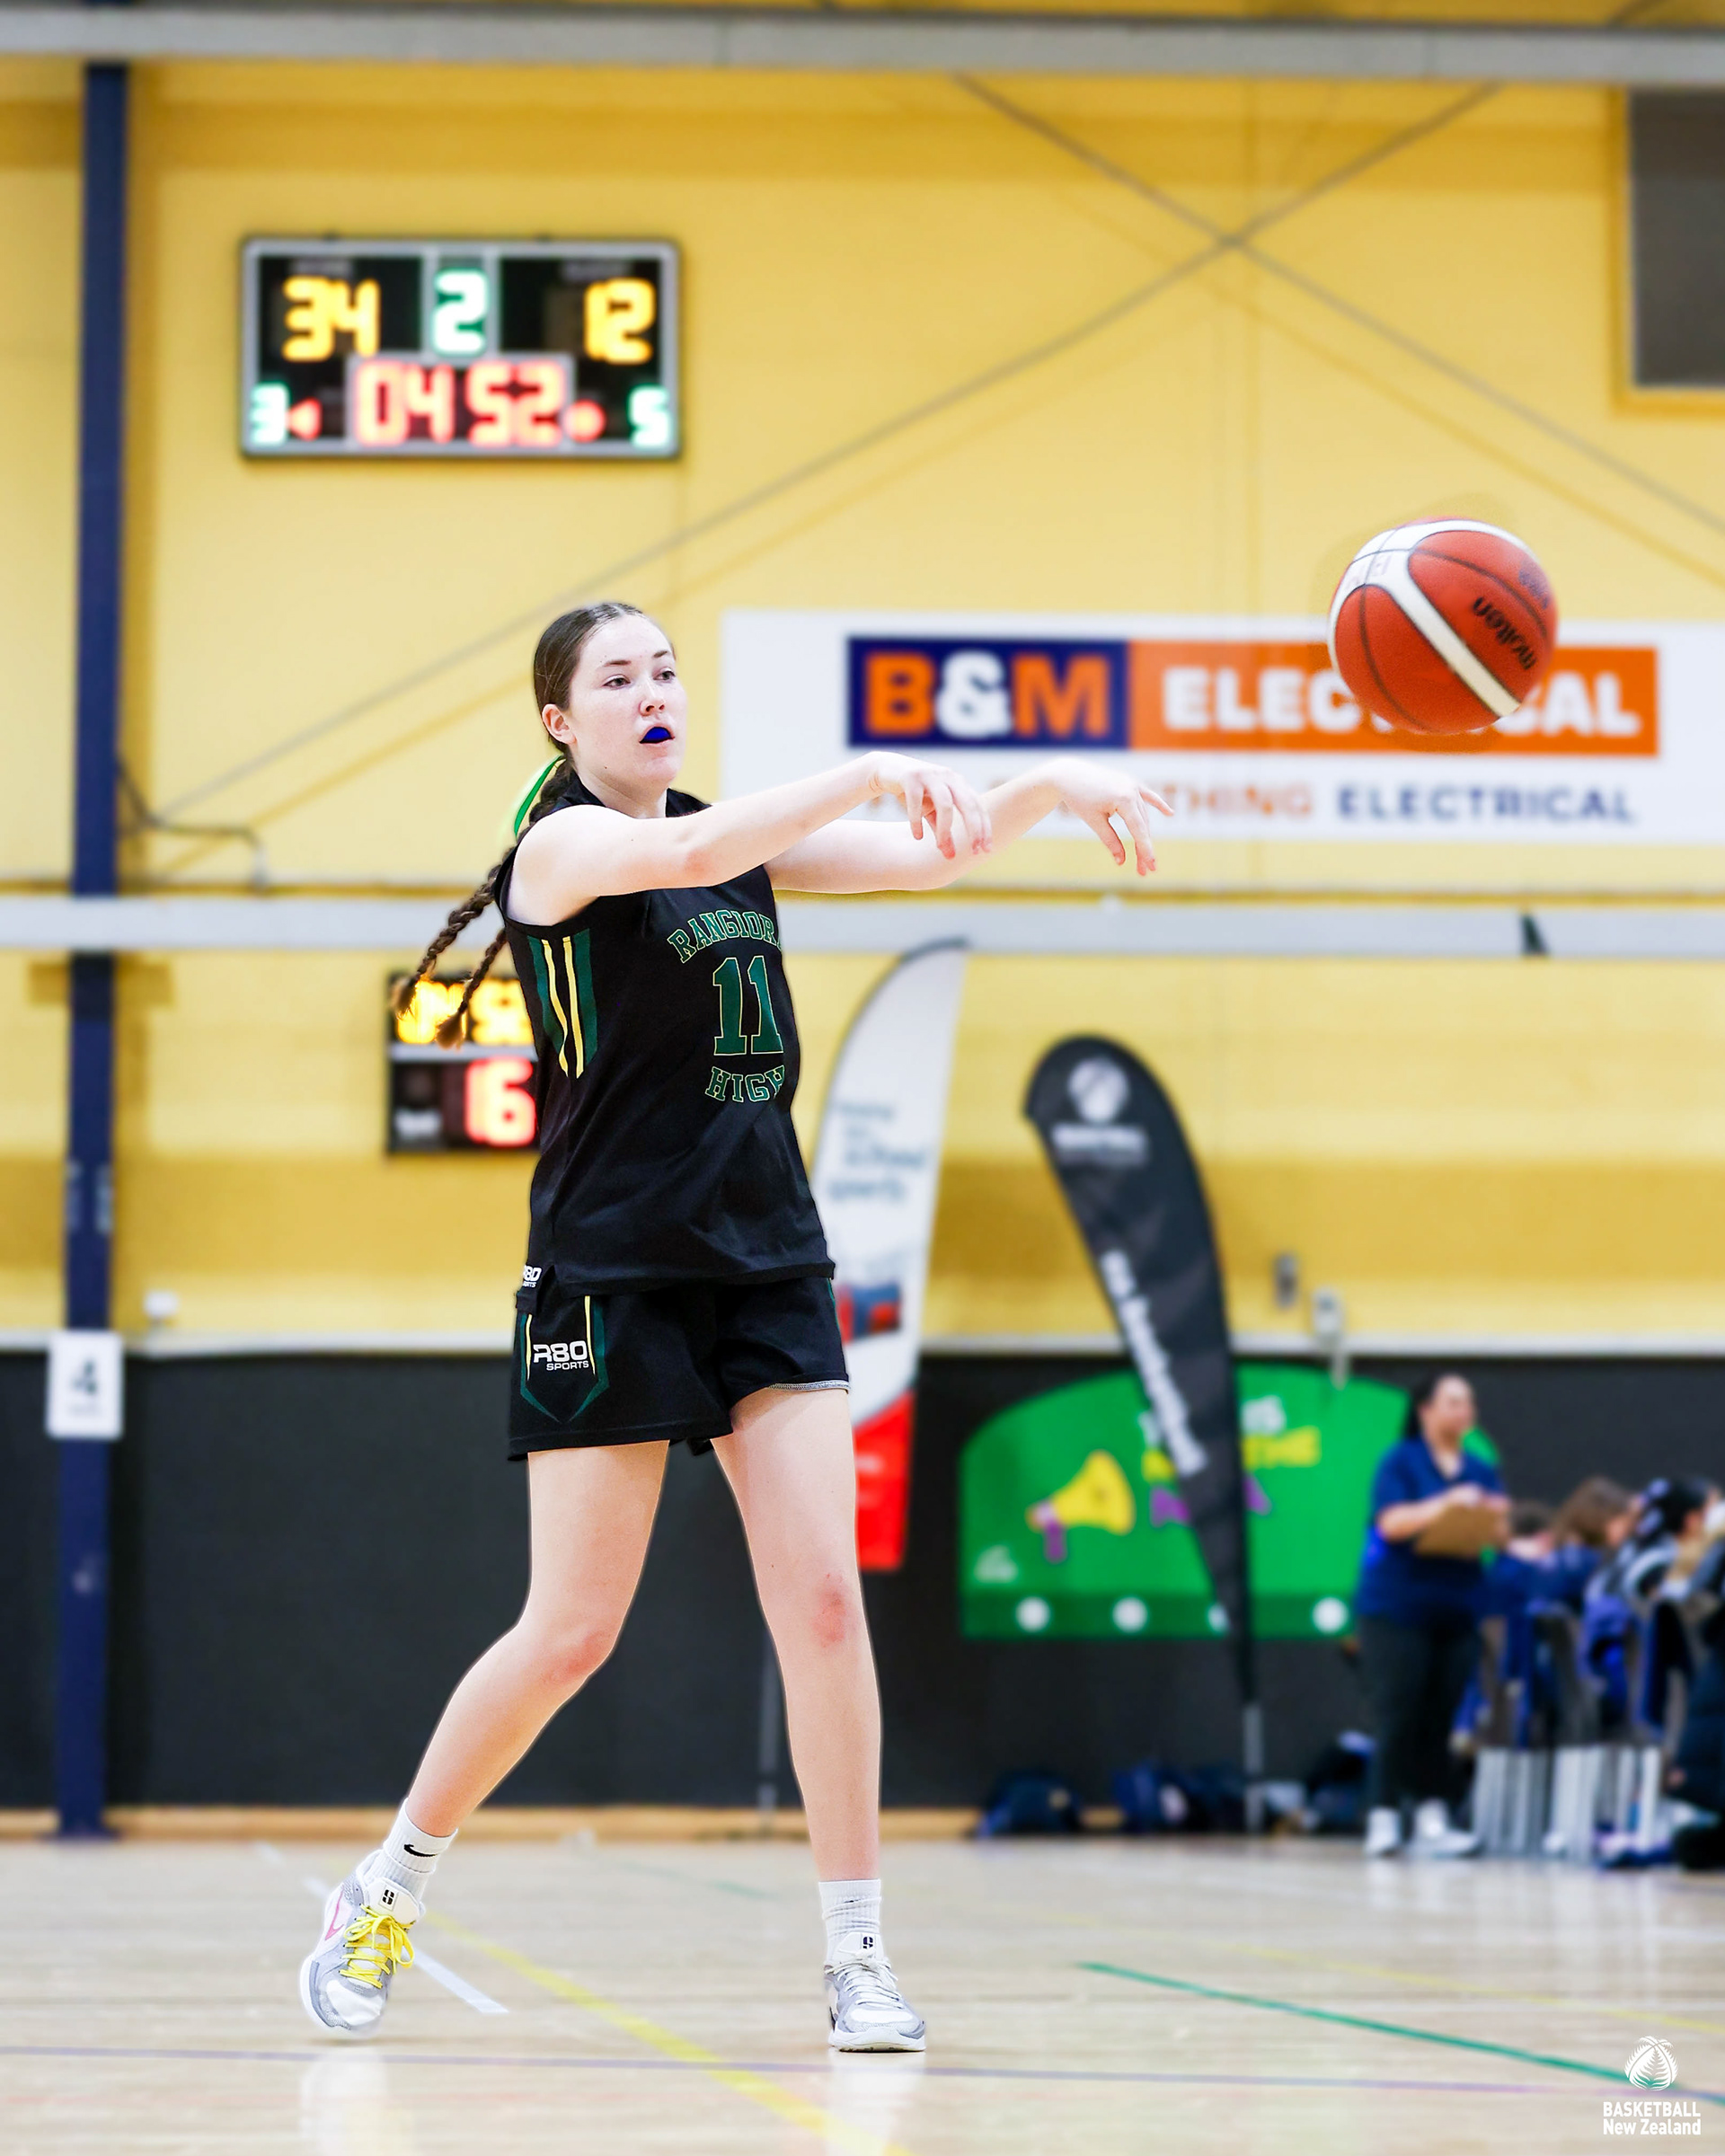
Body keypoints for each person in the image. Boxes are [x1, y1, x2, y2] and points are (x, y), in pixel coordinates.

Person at [298, 599, 1172, 2049]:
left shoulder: (730, 838)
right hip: (608, 1274)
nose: (654, 692)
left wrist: (1054, 787)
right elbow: (687, 857)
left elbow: (926, 854)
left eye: (664, 670)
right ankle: (384, 1887)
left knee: (823, 1605)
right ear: (560, 722)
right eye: (618, 678)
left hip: (767, 1260)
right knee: (571, 1633)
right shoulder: (562, 850)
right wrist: (869, 765)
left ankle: (857, 1955)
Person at [1354, 1372, 1509, 1860]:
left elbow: (1500, 1532)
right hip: (1398, 1608)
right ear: (1426, 1410)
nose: (1465, 1411)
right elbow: (1391, 1523)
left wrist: (1490, 1517)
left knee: (1441, 1714)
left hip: (1457, 1605)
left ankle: (1432, 1814)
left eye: (1469, 1402)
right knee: (1399, 1710)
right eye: (1453, 1402)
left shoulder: (1479, 1469)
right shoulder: (1400, 1462)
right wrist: (1445, 1505)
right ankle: (1382, 1814)